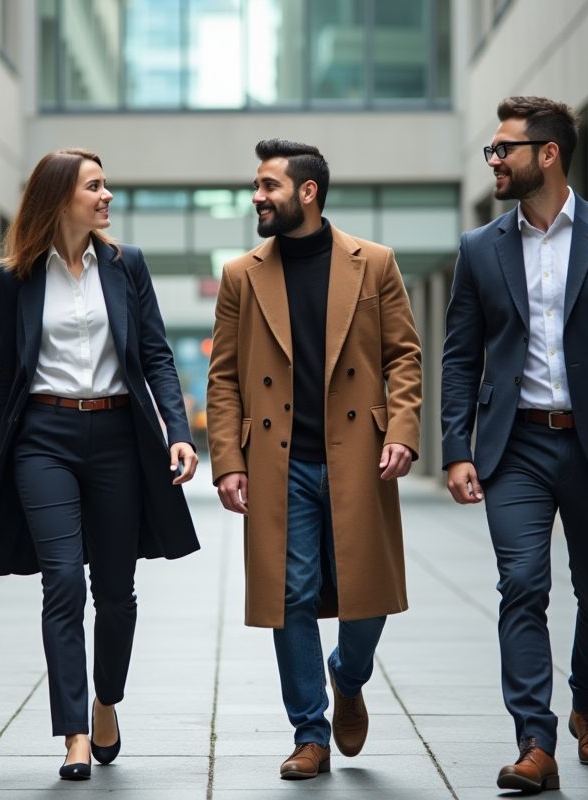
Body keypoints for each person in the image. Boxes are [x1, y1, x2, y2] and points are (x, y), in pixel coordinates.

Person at [441, 97, 588, 793]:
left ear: (547, 152)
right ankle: (534, 743)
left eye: (503, 148)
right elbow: (459, 357)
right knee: (521, 585)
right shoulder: (479, 248)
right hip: (515, 446)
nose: (493, 160)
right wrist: (457, 447)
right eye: (491, 149)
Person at [0, 148, 200, 781]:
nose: (107, 196)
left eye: (106, 185)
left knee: (115, 592)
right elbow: (7, 375)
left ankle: (106, 700)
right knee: (61, 580)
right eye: (95, 186)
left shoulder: (125, 265)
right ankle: (74, 736)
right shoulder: (19, 276)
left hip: (119, 435)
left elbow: (155, 355)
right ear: (61, 197)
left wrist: (177, 430)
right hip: (44, 437)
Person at [206, 139, 422, 780]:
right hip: (278, 461)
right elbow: (222, 378)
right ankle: (310, 732)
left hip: (358, 452)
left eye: (268, 185)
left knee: (369, 596)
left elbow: (403, 354)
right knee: (290, 594)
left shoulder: (373, 263)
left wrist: (403, 429)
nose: (257, 197)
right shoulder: (241, 273)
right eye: (255, 185)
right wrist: (228, 459)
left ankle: (347, 675)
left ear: (307, 191)